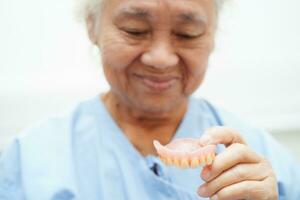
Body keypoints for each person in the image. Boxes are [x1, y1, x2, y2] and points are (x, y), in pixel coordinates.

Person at [0, 0, 299, 199]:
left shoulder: (266, 164)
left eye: (188, 33)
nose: (160, 58)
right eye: (135, 30)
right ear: (92, 26)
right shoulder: (27, 163)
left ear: (212, 35)